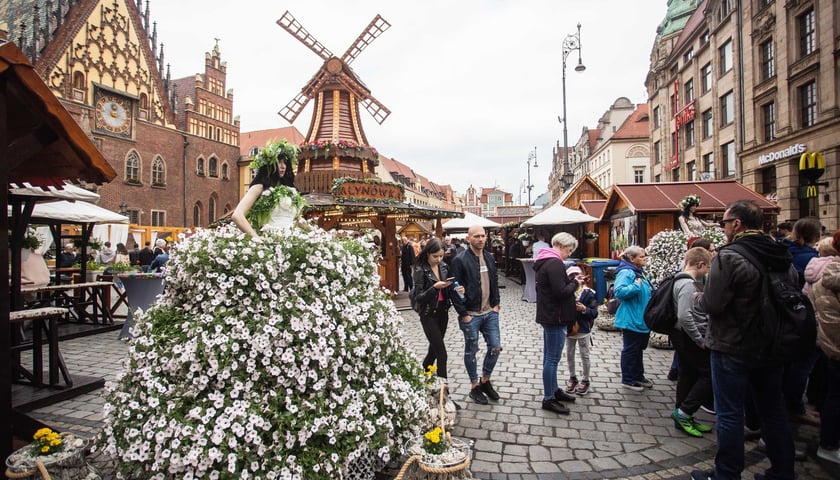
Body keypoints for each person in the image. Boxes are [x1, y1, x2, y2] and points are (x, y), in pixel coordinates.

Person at [692, 199, 796, 480]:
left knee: (730, 413)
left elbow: (713, 303)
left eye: (725, 223)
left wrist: (698, 297)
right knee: (773, 410)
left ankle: (726, 474)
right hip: (773, 344)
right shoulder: (780, 253)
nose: (723, 228)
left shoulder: (730, 256)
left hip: (733, 344)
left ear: (737, 224)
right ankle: (783, 471)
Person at [451, 224, 502, 405]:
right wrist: (463, 313)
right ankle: (474, 386)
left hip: (490, 312)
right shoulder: (460, 259)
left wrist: (496, 304)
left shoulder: (489, 257)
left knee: (495, 347)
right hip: (471, 314)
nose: (480, 239)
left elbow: (495, 281)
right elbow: (454, 287)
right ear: (468, 238)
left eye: (482, 236)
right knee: (471, 351)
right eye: (476, 236)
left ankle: (485, 381)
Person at [533, 233, 581, 414]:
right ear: (561, 246)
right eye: (569, 250)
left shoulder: (547, 261)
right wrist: (574, 283)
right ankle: (549, 398)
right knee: (552, 359)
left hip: (551, 315)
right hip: (555, 316)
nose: (568, 254)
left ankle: (553, 390)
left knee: (550, 357)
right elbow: (561, 291)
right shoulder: (554, 263)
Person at [669, 247, 714, 438]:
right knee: (708, 374)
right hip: (688, 337)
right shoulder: (688, 284)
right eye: (708, 267)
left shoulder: (679, 279)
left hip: (683, 336)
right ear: (700, 264)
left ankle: (683, 413)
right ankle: (685, 412)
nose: (708, 272)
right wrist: (699, 339)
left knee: (687, 374)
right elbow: (684, 316)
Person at [411, 238, 464, 385]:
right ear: (427, 253)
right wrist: (434, 288)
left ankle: (423, 380)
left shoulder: (444, 267)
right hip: (428, 314)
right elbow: (419, 297)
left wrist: (456, 288)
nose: (438, 259)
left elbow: (448, 291)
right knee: (442, 354)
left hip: (443, 312)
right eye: (435, 256)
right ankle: (444, 391)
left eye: (441, 256)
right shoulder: (420, 269)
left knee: (433, 351)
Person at [810, 229, 840, 466]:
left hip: (826, 342)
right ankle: (829, 443)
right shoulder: (831, 277)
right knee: (834, 395)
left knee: (831, 392)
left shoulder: (817, 274)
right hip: (833, 343)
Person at [231, 140, 299, 238]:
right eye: (279, 162)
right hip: (270, 241)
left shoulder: (289, 190)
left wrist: (317, 232)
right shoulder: (260, 187)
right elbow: (237, 215)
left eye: (285, 163)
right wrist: (256, 238)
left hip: (291, 240)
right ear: (270, 165)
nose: (283, 166)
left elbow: (296, 219)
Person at [613, 245, 654, 392]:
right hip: (631, 318)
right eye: (641, 257)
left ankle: (638, 375)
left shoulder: (640, 272)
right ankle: (628, 379)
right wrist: (636, 286)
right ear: (632, 258)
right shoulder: (627, 272)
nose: (644, 260)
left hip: (641, 318)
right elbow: (619, 292)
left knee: (638, 349)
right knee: (631, 349)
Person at [564, 265, 598, 396]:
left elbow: (594, 312)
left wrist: (584, 309)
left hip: (583, 329)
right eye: (571, 276)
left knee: (585, 355)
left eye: (577, 275)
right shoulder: (567, 292)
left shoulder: (589, 293)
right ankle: (572, 377)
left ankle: (585, 379)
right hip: (569, 329)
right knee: (570, 355)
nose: (575, 279)